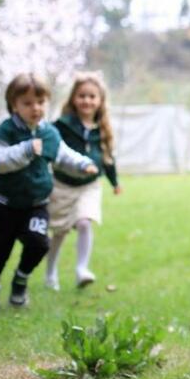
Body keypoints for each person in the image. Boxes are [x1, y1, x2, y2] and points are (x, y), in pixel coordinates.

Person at [0, 73, 96, 309]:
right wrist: (25, 150)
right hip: (4, 204)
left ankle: (21, 279)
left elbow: (62, 154)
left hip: (37, 204)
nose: (36, 108)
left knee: (39, 243)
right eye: (28, 103)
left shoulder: (49, 132)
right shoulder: (6, 131)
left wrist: (83, 164)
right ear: (14, 104)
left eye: (41, 102)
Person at [44, 73, 121, 290]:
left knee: (85, 222)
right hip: (62, 186)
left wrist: (115, 182)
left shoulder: (102, 130)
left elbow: (107, 159)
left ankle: (81, 270)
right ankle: (50, 273)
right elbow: (51, 147)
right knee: (59, 232)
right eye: (82, 96)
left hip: (89, 186)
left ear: (100, 101)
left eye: (92, 96)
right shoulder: (62, 125)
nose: (87, 101)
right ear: (73, 99)